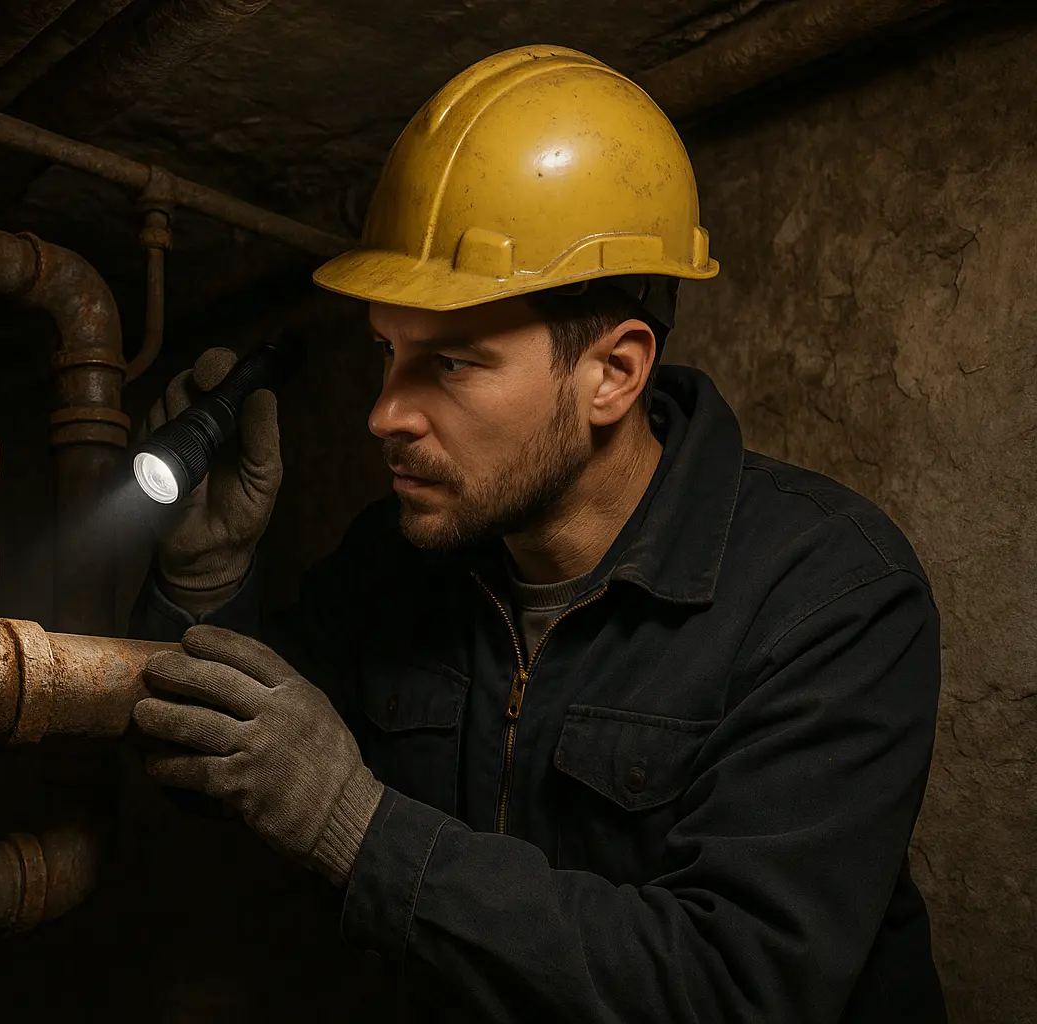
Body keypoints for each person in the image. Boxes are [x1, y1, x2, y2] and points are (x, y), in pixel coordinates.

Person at [128, 45, 944, 1022]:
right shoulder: (393, 562)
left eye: (453, 363)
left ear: (614, 372)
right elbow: (212, 780)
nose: (386, 413)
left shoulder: (831, 596)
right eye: (388, 355)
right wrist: (210, 576)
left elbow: (735, 988)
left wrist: (360, 828)